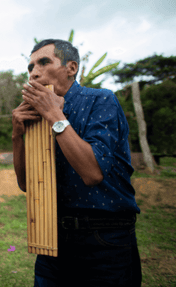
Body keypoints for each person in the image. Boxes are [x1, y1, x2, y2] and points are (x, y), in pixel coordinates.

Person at [11, 39, 141, 286]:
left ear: (71, 68)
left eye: (44, 62)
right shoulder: (35, 117)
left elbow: (92, 173)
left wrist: (54, 115)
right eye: (30, 67)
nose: (34, 72)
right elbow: (27, 184)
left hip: (105, 239)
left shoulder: (101, 101)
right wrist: (18, 133)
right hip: (53, 238)